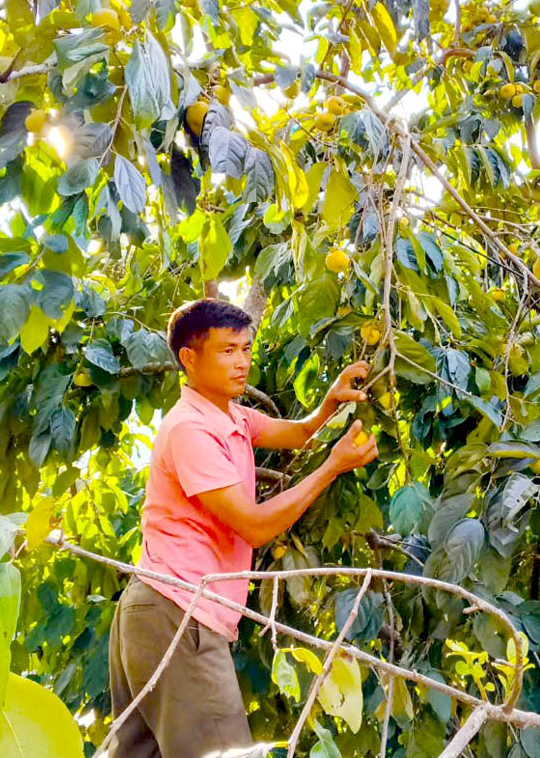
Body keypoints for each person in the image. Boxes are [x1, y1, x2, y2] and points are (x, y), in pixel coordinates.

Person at [108, 298, 379, 758]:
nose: (241, 362)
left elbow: (297, 433)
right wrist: (332, 467)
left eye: (246, 350)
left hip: (158, 612)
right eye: (227, 350)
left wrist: (331, 401)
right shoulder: (191, 430)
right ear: (189, 359)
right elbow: (254, 527)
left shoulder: (231, 415)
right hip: (180, 612)